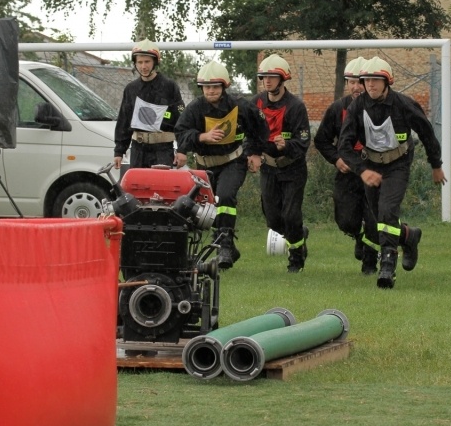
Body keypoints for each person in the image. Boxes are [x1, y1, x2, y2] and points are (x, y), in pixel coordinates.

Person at [338, 56, 447, 289]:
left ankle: (387, 265)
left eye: (376, 81)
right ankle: (408, 235)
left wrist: (436, 165)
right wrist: (362, 170)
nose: (370, 85)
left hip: (398, 164)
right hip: (371, 166)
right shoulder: (356, 107)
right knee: (379, 217)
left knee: (387, 211)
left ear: (387, 82)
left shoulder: (404, 105)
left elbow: (427, 134)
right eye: (367, 80)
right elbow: (344, 146)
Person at [174, 60, 268, 269]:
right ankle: (225, 247)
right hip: (203, 166)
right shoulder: (195, 108)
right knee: (205, 208)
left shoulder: (239, 105)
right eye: (207, 87)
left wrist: (255, 154)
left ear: (224, 87)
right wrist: (202, 137)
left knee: (224, 197)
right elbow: (181, 133)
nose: (211, 91)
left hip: (233, 162)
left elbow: (260, 127)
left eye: (215, 86)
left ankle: (224, 245)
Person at [314, 56, 379, 275]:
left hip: (374, 171)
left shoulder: (380, 107)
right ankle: (359, 236)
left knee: (373, 219)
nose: (356, 87)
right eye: (351, 82)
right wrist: (336, 159)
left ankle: (370, 264)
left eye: (359, 82)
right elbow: (321, 140)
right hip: (347, 173)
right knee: (345, 220)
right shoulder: (336, 109)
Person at [251, 54, 311, 274]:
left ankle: (296, 259)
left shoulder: (296, 106)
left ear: (282, 79)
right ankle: (298, 234)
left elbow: (304, 141)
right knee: (273, 218)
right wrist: (253, 154)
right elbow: (249, 134)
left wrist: (287, 145)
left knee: (291, 215)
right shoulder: (255, 104)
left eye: (272, 77)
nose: (267, 81)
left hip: (293, 167)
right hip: (269, 168)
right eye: (264, 77)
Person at [114, 39, 185, 169]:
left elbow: (182, 120)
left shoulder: (169, 86)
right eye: (139, 62)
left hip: (163, 151)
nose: (143, 66)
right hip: (138, 151)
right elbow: (123, 121)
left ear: (155, 62)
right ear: (135, 63)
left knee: (160, 188)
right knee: (137, 188)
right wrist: (119, 151)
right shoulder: (131, 89)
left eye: (147, 62)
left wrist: (182, 150)